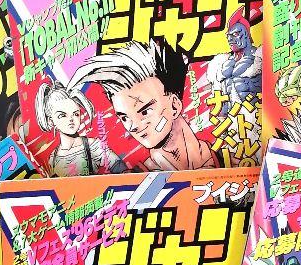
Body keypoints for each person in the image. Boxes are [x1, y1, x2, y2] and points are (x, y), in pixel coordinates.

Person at [70, 39, 217, 169]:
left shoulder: (224, 156)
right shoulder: (137, 181)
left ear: (174, 106)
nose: (133, 126)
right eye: (125, 118)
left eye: (145, 111)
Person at [34, 82, 121, 177]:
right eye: (62, 115)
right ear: (51, 121)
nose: (71, 119)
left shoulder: (93, 145)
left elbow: (121, 169)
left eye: (75, 114)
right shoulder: (53, 158)